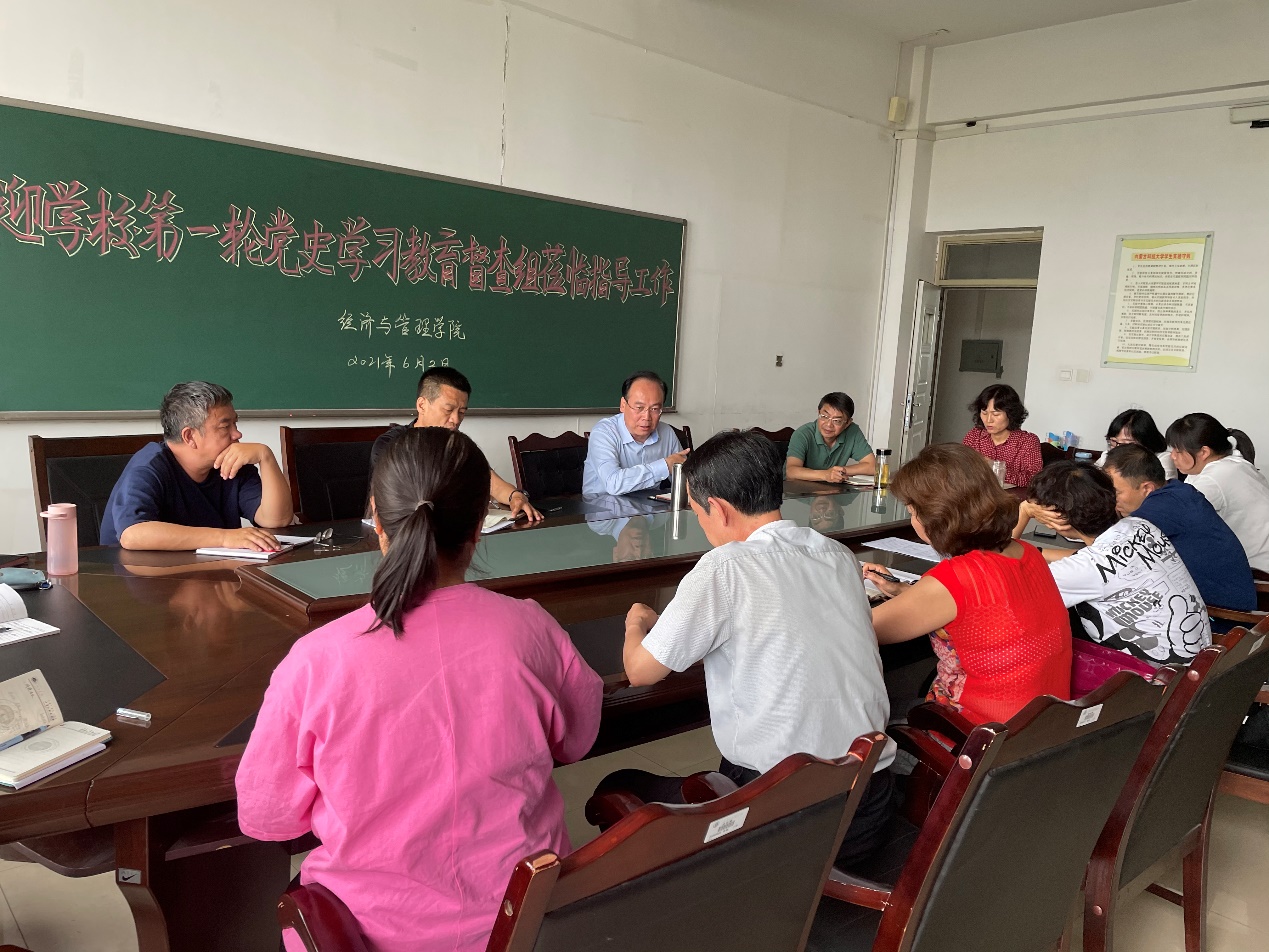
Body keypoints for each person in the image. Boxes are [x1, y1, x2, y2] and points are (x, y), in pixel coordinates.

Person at [236, 428, 602, 952]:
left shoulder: (317, 660)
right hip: (531, 924)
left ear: (376, 520)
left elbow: (268, 816)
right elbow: (577, 739)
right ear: (478, 527)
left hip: (370, 935)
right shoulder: (532, 628)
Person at [620, 431, 895, 868]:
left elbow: (640, 671)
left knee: (623, 785)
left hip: (780, 813)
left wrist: (636, 622)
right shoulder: (838, 555)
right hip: (869, 805)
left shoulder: (724, 567)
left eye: (697, 512)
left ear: (717, 508)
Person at [864, 444, 1071, 724]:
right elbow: (980, 610)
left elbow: (859, 630)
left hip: (972, 732)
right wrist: (904, 591)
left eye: (912, 512)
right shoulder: (1028, 553)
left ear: (934, 516)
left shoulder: (955, 578)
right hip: (1041, 725)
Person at [1020, 461, 1211, 666]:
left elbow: (1000, 578)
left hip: (1152, 678)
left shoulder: (1085, 569)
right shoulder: (1141, 526)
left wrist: (1024, 511)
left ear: (1056, 519)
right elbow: (1098, 561)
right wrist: (1038, 552)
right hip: (1202, 664)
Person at [99, 381, 294, 550]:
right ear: (190, 436)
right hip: (138, 575)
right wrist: (224, 538)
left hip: (208, 569)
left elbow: (276, 520)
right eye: (225, 426)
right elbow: (133, 534)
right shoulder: (149, 467)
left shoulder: (231, 462)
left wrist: (266, 457)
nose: (237, 434)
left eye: (235, 424)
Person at [370, 366, 542, 522]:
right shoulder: (391, 446)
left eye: (461, 412)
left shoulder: (457, 445)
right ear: (422, 405)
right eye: (448, 410)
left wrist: (515, 496)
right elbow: (399, 501)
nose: (456, 419)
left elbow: (490, 482)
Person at [1103, 444, 1256, 613]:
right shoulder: (1177, 492)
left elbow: (1103, 553)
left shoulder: (1162, 508)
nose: (1111, 500)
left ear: (1147, 488)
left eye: (1116, 492)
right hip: (1213, 606)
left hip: (1220, 617)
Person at [1166, 413, 1269, 573]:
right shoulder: (1234, 462)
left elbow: (1175, 519)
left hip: (1258, 571)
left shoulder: (1215, 477)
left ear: (1204, 452)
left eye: (1178, 451)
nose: (1172, 456)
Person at [582, 370, 688, 495]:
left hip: (649, 504)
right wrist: (665, 466)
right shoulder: (604, 433)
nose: (646, 417)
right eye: (639, 408)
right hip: (603, 504)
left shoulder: (666, 432)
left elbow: (685, 480)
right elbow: (613, 483)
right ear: (623, 405)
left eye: (655, 409)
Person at [961, 383, 1043, 487]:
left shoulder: (1027, 441)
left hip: (1011, 496)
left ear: (1011, 414)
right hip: (976, 493)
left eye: (996, 414)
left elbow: (1034, 480)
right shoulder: (974, 435)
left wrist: (994, 467)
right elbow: (960, 468)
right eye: (984, 413)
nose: (988, 420)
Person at [785, 392, 876, 483]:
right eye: (824, 416)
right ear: (818, 412)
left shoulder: (852, 431)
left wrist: (839, 471)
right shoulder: (803, 434)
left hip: (831, 488)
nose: (828, 425)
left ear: (848, 423)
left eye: (837, 421)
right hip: (798, 489)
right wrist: (825, 475)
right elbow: (791, 472)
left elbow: (873, 467)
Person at [1099, 408, 1177, 480]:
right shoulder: (1107, 456)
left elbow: (1166, 489)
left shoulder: (1162, 459)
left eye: (1126, 443)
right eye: (1113, 441)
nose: (1118, 449)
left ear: (1146, 442)